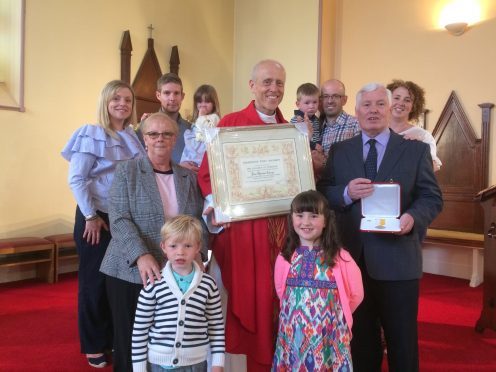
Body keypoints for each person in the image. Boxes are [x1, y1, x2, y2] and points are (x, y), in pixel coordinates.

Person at [317, 83, 443, 372]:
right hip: (353, 263)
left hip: (399, 263)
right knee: (360, 343)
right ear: (357, 111)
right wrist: (346, 193)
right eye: (367, 105)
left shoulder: (416, 151)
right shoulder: (340, 151)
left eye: (379, 104)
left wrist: (412, 217)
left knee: (402, 343)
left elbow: (431, 197)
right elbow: (325, 192)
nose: (373, 110)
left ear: (389, 109)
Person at [100, 112, 208, 372]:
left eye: (167, 134)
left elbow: (195, 220)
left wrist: (198, 253)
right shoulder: (127, 171)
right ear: (144, 139)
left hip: (175, 269)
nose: (160, 139)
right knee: (130, 342)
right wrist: (141, 255)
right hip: (128, 269)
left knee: (165, 342)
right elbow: (119, 218)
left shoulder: (187, 177)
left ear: (175, 139)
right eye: (153, 134)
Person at [198, 59, 288, 371]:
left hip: (281, 233)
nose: (273, 89)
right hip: (243, 234)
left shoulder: (289, 132)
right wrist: (220, 208)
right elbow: (208, 175)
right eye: (266, 82)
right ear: (252, 86)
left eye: (278, 83)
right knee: (242, 302)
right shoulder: (230, 124)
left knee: (278, 298)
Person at [61, 80, 146, 368]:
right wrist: (90, 216)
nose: (122, 104)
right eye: (116, 99)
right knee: (94, 281)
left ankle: (110, 335)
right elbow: (77, 179)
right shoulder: (92, 133)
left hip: (123, 218)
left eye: (127, 99)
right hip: (95, 217)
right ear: (105, 102)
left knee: (117, 280)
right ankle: (93, 344)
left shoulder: (133, 137)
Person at [272, 190, 363, 370]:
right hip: (293, 337)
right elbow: (281, 290)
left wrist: (334, 318)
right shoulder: (285, 258)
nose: (305, 222)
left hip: (329, 336)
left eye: (313, 216)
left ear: (326, 221)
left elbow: (356, 294)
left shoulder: (341, 258)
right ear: (292, 219)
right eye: (300, 215)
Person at [131, 215, 225, 372]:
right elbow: (140, 331)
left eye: (187, 246)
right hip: (159, 365)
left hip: (196, 364)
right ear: (163, 247)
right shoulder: (153, 285)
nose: (180, 252)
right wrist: (139, 369)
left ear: (198, 247)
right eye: (173, 246)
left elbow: (216, 327)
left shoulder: (208, 285)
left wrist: (218, 362)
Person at [387, 79, 442, 171]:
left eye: (407, 100)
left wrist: (418, 149)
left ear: (414, 106)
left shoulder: (423, 136)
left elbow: (433, 167)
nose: (401, 103)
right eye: (396, 98)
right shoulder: (375, 131)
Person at [141, 73, 192, 167]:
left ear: (182, 96)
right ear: (158, 95)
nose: (172, 98)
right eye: (167, 93)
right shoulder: (146, 126)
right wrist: (179, 169)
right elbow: (139, 162)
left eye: (176, 93)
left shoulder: (191, 129)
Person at [180, 84, 221, 171]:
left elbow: (204, 135)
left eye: (207, 101)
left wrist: (201, 117)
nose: (203, 105)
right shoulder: (196, 120)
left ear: (214, 103)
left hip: (203, 151)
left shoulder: (214, 118)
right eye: (200, 102)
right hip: (192, 154)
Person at [289, 82, 321, 148]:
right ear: (298, 104)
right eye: (307, 103)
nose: (311, 106)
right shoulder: (296, 120)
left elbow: (318, 137)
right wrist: (314, 145)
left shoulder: (317, 120)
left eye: (315, 102)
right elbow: (297, 140)